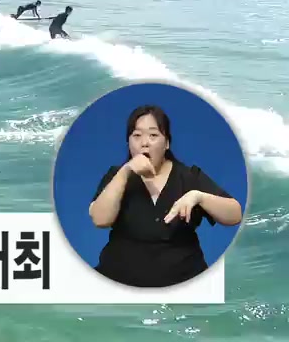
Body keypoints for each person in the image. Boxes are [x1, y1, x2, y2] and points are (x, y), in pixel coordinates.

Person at [87, 105, 243, 288]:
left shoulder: (189, 176)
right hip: (118, 283)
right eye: (136, 135)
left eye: (153, 135)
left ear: (167, 143)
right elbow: (100, 219)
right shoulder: (116, 175)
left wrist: (199, 197)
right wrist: (125, 171)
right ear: (128, 142)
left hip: (184, 284)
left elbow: (235, 214)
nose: (144, 143)